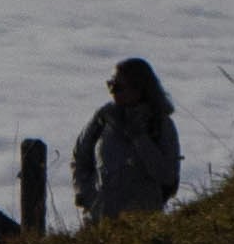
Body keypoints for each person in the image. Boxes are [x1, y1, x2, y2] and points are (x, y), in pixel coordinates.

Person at [71, 58, 183, 224]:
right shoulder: (102, 119)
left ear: (139, 89)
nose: (112, 91)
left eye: (118, 87)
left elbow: (168, 176)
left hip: (143, 227)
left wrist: (140, 138)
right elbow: (80, 157)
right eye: (110, 84)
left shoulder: (160, 125)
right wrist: (87, 196)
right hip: (99, 224)